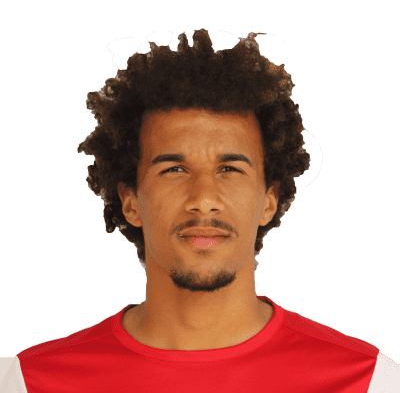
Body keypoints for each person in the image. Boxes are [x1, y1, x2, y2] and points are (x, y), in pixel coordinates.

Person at [1, 28, 398, 392]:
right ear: (130, 202)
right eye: (174, 169)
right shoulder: (28, 383)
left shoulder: (370, 382)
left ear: (269, 200)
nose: (204, 198)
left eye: (230, 169)